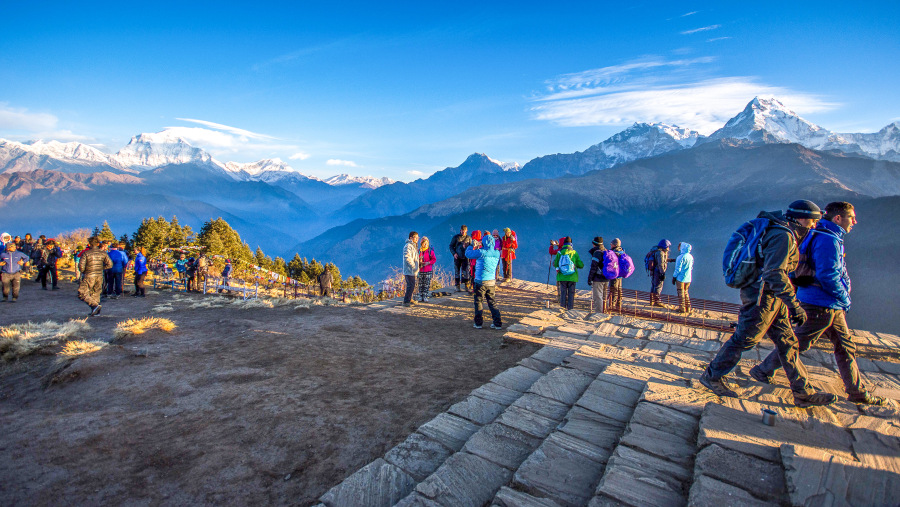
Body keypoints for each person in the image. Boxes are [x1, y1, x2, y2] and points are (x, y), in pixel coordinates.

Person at [700, 200, 837, 408]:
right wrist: (794, 304)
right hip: (761, 297)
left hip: (772, 297)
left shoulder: (780, 231)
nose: (814, 226)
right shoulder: (783, 236)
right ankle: (712, 376)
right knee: (745, 339)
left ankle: (802, 392)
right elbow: (774, 273)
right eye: (812, 221)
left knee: (788, 342)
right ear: (801, 219)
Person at [749, 202, 885, 405]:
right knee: (797, 343)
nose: (855, 221)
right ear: (838, 218)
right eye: (851, 217)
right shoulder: (828, 239)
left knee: (844, 346)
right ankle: (763, 370)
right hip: (822, 303)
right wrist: (844, 298)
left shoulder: (814, 234)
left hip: (821, 302)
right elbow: (828, 274)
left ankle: (856, 392)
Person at [466, 231, 502, 329]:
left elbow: (468, 254)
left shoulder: (481, 252)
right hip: (491, 281)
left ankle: (478, 323)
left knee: (478, 302)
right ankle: (497, 323)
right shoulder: (497, 253)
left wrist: (471, 245)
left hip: (480, 281)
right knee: (492, 302)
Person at [78, 236, 113, 316]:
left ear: (89, 244)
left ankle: (94, 306)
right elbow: (110, 264)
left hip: (89, 275)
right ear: (97, 244)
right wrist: (101, 268)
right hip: (99, 275)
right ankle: (96, 311)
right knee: (96, 293)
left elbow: (81, 266)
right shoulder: (103, 253)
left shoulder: (86, 253)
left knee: (82, 293)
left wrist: (85, 271)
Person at [553, 237, 583, 310]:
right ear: (571, 244)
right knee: (571, 293)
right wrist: (577, 264)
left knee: (563, 293)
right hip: (572, 277)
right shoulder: (574, 253)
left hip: (562, 276)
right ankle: (570, 309)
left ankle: (562, 308)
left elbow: (555, 263)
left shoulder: (559, 253)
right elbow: (580, 265)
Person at [647, 239, 674, 307]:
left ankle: (652, 301)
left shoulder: (657, 252)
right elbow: (661, 263)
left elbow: (661, 260)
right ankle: (657, 301)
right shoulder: (661, 253)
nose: (668, 248)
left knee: (653, 285)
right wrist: (662, 273)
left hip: (654, 271)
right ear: (665, 246)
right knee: (658, 286)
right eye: (668, 246)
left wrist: (671, 260)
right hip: (658, 272)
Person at [587, 237, 609, 314]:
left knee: (598, 297)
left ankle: (599, 313)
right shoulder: (606, 251)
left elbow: (593, 267)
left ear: (594, 244)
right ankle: (605, 311)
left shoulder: (597, 253)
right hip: (607, 277)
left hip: (598, 278)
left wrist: (590, 278)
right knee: (604, 296)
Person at [672, 242, 694, 314]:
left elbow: (678, 269)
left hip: (681, 278)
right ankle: (688, 307)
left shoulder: (680, 257)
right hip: (688, 278)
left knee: (680, 293)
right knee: (686, 292)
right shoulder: (691, 256)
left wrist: (674, 277)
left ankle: (682, 308)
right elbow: (691, 267)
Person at [449, 225, 471, 292]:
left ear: (466, 231)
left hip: (466, 257)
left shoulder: (469, 238)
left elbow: (471, 247)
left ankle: (466, 285)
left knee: (466, 272)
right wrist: (454, 253)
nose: (463, 232)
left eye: (464, 231)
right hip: (457, 257)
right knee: (457, 272)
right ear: (460, 230)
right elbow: (451, 246)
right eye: (462, 231)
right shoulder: (456, 237)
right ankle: (457, 286)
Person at [402, 231, 420, 306]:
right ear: (411, 238)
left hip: (412, 270)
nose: (417, 239)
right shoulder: (408, 246)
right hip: (409, 270)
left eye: (417, 237)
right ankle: (406, 301)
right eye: (415, 237)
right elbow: (407, 257)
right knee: (411, 285)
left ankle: (409, 299)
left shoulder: (413, 246)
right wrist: (413, 266)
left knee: (411, 285)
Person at [607, 239, 625, 312]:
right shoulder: (622, 251)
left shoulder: (613, 252)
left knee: (613, 289)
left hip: (614, 274)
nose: (610, 245)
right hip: (620, 274)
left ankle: (612, 305)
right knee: (619, 289)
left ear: (614, 245)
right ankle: (619, 304)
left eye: (611, 244)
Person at [418, 236, 436, 302]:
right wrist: (419, 262)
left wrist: (428, 262)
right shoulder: (418, 251)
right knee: (420, 284)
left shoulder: (430, 251)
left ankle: (425, 296)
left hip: (428, 270)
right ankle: (420, 296)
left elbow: (434, 259)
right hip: (420, 270)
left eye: (426, 243)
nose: (425, 244)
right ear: (421, 243)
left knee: (426, 284)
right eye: (424, 243)